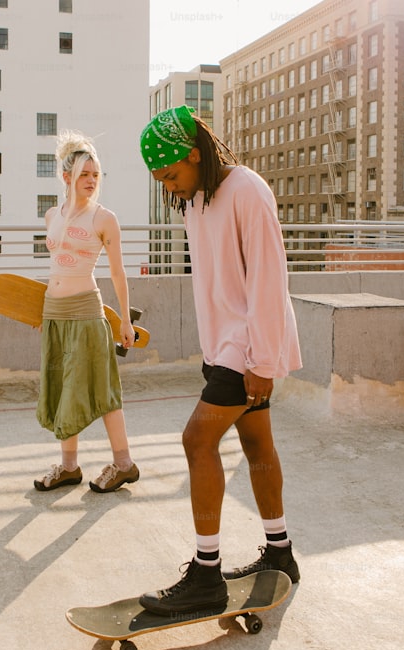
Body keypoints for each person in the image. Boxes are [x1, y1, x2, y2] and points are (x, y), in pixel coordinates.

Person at [135, 106, 302, 615]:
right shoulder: (199, 198)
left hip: (249, 348)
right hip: (222, 346)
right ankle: (280, 553)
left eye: (170, 173)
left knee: (196, 439)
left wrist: (262, 360)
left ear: (192, 154)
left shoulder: (247, 190)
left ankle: (206, 576)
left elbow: (269, 279)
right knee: (256, 442)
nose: (169, 186)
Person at [33, 130, 140, 493]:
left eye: (96, 174)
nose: (92, 181)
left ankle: (124, 464)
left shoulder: (103, 219)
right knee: (65, 387)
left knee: (101, 389)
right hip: (54, 313)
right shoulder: (52, 215)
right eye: (84, 174)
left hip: (86, 313)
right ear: (67, 178)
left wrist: (124, 319)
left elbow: (117, 272)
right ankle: (69, 467)